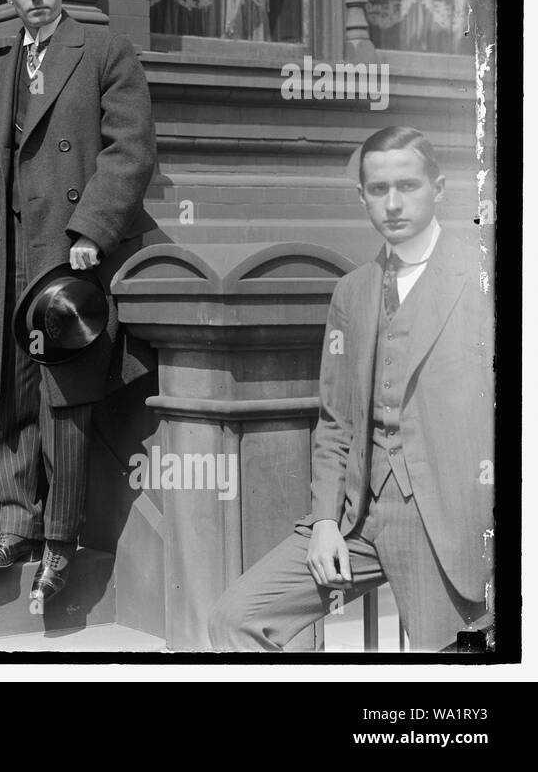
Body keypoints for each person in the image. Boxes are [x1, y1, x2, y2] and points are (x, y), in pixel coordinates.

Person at [208, 127, 493, 651]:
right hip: (355, 518)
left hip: (441, 521)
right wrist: (322, 521)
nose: (393, 203)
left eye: (407, 186)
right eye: (378, 190)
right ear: (362, 197)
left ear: (440, 187)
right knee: (237, 617)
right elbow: (335, 421)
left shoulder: (483, 278)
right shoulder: (353, 290)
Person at [0, 0, 156, 603]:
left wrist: (94, 229)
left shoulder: (103, 53)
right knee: (11, 397)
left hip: (69, 253)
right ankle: (17, 526)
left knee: (65, 402)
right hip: (8, 255)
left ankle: (61, 543)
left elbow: (129, 151)